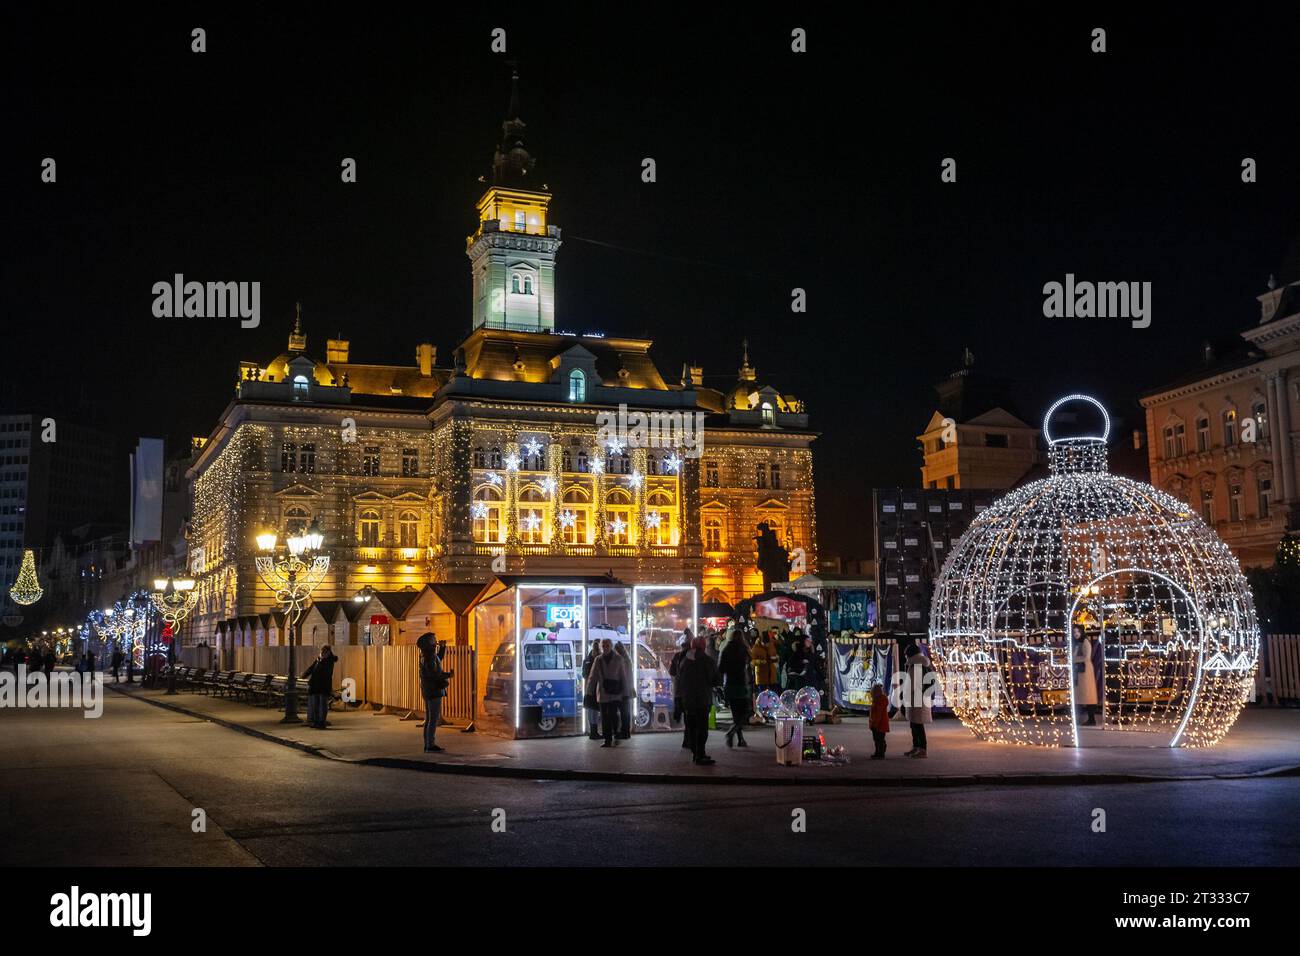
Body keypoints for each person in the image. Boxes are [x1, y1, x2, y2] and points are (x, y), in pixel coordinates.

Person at [676, 635, 720, 765]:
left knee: (692, 727)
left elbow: (679, 680)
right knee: (702, 728)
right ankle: (700, 754)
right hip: (702, 699)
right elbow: (715, 680)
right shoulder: (707, 661)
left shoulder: (684, 661)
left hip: (688, 700)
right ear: (703, 646)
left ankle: (695, 753)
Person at [587, 639, 629, 747]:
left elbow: (623, 677)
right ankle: (607, 739)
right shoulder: (598, 660)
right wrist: (589, 692)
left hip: (615, 693)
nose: (605, 647)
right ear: (601, 647)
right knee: (605, 717)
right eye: (604, 645)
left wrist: (625, 692)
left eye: (607, 645)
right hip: (603, 693)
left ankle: (615, 734)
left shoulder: (618, 659)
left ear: (611, 646)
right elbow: (593, 677)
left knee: (613, 715)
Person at [416, 633, 453, 752]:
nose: (435, 640)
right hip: (434, 690)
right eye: (433, 639)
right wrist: (448, 675)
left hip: (427, 690)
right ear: (429, 642)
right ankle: (430, 745)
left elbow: (438, 659)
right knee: (433, 719)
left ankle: (428, 744)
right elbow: (435, 673)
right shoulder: (429, 656)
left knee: (429, 719)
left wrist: (442, 648)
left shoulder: (426, 654)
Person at [719, 629, 752, 747]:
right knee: (746, 711)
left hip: (729, 684)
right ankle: (732, 732)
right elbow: (749, 662)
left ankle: (740, 739)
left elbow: (720, 669)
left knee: (736, 714)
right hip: (741, 684)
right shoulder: (743, 649)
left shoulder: (726, 649)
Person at [903, 643, 933, 758]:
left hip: (917, 699)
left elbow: (910, 684)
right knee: (914, 724)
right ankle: (916, 747)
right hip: (919, 699)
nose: (905, 657)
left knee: (918, 725)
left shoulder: (916, 666)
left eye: (906, 655)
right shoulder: (919, 664)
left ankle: (922, 749)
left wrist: (904, 695)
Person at [1073, 627, 1104, 727]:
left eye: (1078, 631)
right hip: (1079, 671)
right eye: (1074, 632)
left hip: (1085, 671)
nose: (1076, 634)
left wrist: (1073, 659)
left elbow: (1086, 657)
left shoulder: (1085, 642)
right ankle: (1079, 719)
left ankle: (1091, 719)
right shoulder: (1076, 643)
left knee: (1088, 696)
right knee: (1079, 696)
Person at [301, 645, 337, 729]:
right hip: (316, 685)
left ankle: (322, 722)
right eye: (321, 652)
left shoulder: (329, 660)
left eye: (323, 652)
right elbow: (312, 668)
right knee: (316, 704)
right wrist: (304, 674)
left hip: (324, 685)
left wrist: (321, 660)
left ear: (328, 652)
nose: (322, 653)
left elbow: (325, 672)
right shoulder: (319, 659)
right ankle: (316, 721)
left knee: (323, 705)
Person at [669, 632, 691, 749]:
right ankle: (688, 739)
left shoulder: (677, 656)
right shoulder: (692, 657)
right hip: (689, 691)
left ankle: (686, 739)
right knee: (690, 717)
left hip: (679, 690)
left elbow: (671, 672)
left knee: (686, 716)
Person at [613, 641, 635, 739]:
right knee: (625, 712)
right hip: (628, 689)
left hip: (623, 690)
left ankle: (624, 732)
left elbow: (621, 676)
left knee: (623, 712)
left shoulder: (622, 660)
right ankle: (626, 732)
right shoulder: (627, 659)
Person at [581, 641, 602, 739]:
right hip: (596, 687)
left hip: (588, 687)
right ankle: (594, 732)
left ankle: (592, 732)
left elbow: (584, 674)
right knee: (595, 710)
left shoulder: (587, 659)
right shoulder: (598, 659)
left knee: (590, 710)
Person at [869, 682, 890, 759]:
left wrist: (874, 724)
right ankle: (878, 752)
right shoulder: (877, 701)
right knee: (877, 739)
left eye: (872, 693)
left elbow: (878, 715)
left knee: (879, 740)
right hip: (878, 725)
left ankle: (880, 753)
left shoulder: (879, 702)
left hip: (879, 725)